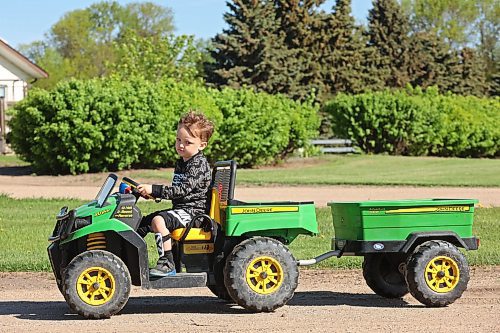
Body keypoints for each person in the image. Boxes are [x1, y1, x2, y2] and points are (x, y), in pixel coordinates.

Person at [137, 110, 214, 277]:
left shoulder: (198, 165)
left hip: (195, 214)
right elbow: (176, 193)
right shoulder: (182, 162)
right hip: (182, 210)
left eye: (187, 142)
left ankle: (167, 263)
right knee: (142, 223)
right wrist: (152, 194)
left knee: (158, 221)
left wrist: (155, 190)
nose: (180, 145)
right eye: (178, 140)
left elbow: (181, 191)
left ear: (202, 145)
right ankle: (132, 259)